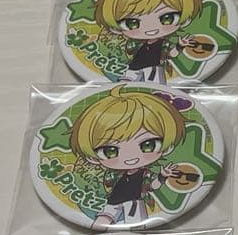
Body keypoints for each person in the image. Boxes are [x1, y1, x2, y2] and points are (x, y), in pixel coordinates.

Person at [68, 85, 186, 227]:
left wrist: (162, 176)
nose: (131, 157)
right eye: (110, 151)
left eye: (148, 145)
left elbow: (152, 186)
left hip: (133, 203)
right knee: (101, 221)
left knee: (136, 225)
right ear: (92, 157)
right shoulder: (113, 174)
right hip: (112, 202)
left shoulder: (145, 173)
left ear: (167, 146)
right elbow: (107, 184)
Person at [94, 0, 203, 84]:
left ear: (185, 20)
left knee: (154, 86)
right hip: (133, 68)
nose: (150, 28)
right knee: (125, 85)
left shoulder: (164, 43)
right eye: (132, 23)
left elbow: (170, 54)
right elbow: (129, 52)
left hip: (152, 69)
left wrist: (180, 46)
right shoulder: (135, 43)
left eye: (167, 18)